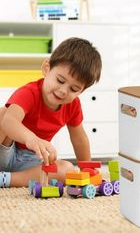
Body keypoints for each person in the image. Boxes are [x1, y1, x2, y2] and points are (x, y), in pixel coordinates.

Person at [0, 37, 102, 188]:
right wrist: (31, 139)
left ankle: (6, 179)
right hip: (6, 148)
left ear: (82, 91)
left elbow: (79, 138)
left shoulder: (73, 105)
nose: (63, 91)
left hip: (32, 161)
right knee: (3, 113)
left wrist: (88, 169)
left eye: (73, 89)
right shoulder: (29, 92)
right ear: (46, 69)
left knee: (66, 169)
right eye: (60, 80)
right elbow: (9, 122)